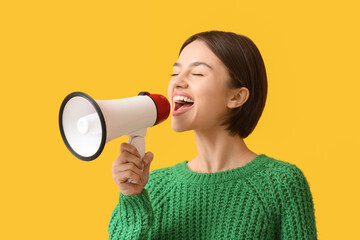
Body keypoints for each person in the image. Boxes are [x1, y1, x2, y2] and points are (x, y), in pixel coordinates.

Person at [108, 30, 318, 239]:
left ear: (236, 96)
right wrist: (131, 196)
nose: (177, 82)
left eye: (197, 73)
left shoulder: (280, 184)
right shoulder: (154, 187)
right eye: (175, 73)